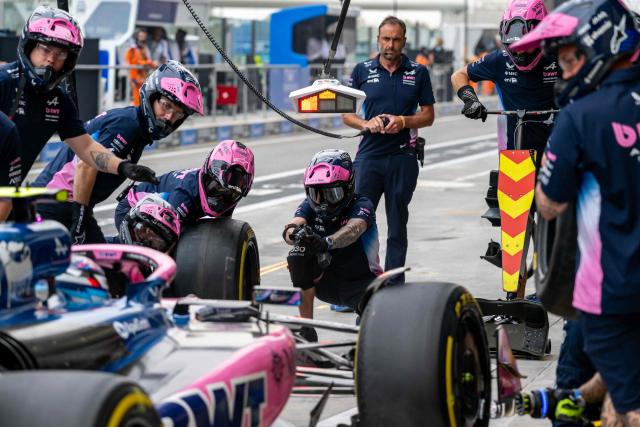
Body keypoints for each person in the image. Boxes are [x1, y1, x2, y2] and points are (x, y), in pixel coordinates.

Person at [512, 0, 640, 425]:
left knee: (621, 403)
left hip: (610, 294)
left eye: (571, 59)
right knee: (614, 386)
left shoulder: (580, 117)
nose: (565, 73)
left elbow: (549, 205)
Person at [0, 6, 157, 221]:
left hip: (7, 194)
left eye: (60, 54)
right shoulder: (5, 81)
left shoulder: (59, 101)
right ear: (29, 47)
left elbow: (86, 147)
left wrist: (122, 166)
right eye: (45, 49)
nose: (51, 60)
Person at [34, 60, 203, 244]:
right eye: (166, 105)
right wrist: (79, 223)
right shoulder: (127, 125)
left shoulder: (137, 131)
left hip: (71, 206)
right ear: (152, 96)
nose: (169, 117)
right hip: (55, 204)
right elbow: (86, 166)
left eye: (178, 114)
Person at [342, 16, 435, 284]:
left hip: (402, 158)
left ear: (404, 41)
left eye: (396, 39)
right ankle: (357, 286)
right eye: (386, 39)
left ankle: (393, 286)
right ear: (378, 40)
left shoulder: (418, 72)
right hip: (368, 157)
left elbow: (428, 116)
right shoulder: (362, 70)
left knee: (397, 226)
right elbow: (346, 116)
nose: (390, 45)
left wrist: (404, 121)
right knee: (357, 223)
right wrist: (366, 123)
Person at [283, 149, 382, 336]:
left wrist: (326, 242)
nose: (323, 202)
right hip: (326, 283)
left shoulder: (362, 205)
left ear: (348, 187)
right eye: (316, 193)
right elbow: (292, 226)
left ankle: (366, 317)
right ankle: (307, 329)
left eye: (332, 194)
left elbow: (354, 230)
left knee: (373, 335)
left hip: (362, 284)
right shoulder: (309, 204)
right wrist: (294, 234)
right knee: (297, 254)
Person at [451, 0, 557, 157]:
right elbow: (458, 75)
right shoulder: (499, 59)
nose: (520, 53)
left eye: (525, 45)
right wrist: (470, 99)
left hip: (557, 149)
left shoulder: (559, 56)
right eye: (514, 47)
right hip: (515, 153)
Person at [114, 140, 254, 229]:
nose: (220, 199)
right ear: (207, 174)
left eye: (230, 194)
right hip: (131, 208)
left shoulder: (233, 194)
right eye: (216, 187)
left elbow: (223, 230)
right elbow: (168, 240)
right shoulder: (184, 193)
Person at [125, 29, 156, 106]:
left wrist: (151, 64)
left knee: (144, 98)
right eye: (141, 36)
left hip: (144, 76)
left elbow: (148, 60)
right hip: (136, 77)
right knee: (137, 99)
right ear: (137, 37)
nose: (143, 38)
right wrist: (149, 63)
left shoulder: (145, 48)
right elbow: (133, 62)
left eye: (144, 37)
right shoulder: (133, 49)